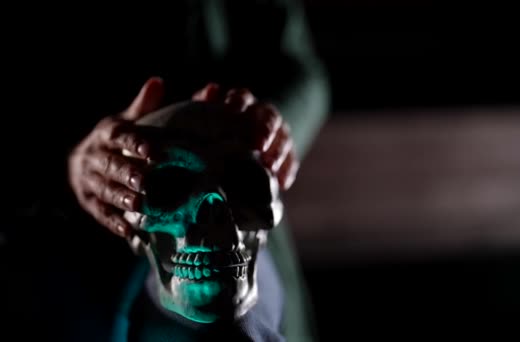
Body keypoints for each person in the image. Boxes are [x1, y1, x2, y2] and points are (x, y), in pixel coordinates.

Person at [3, 1, 329, 341]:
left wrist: (268, 134)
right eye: (170, 190)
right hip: (70, 255)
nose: (216, 219)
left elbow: (300, 67)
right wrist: (67, 165)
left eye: (244, 183)